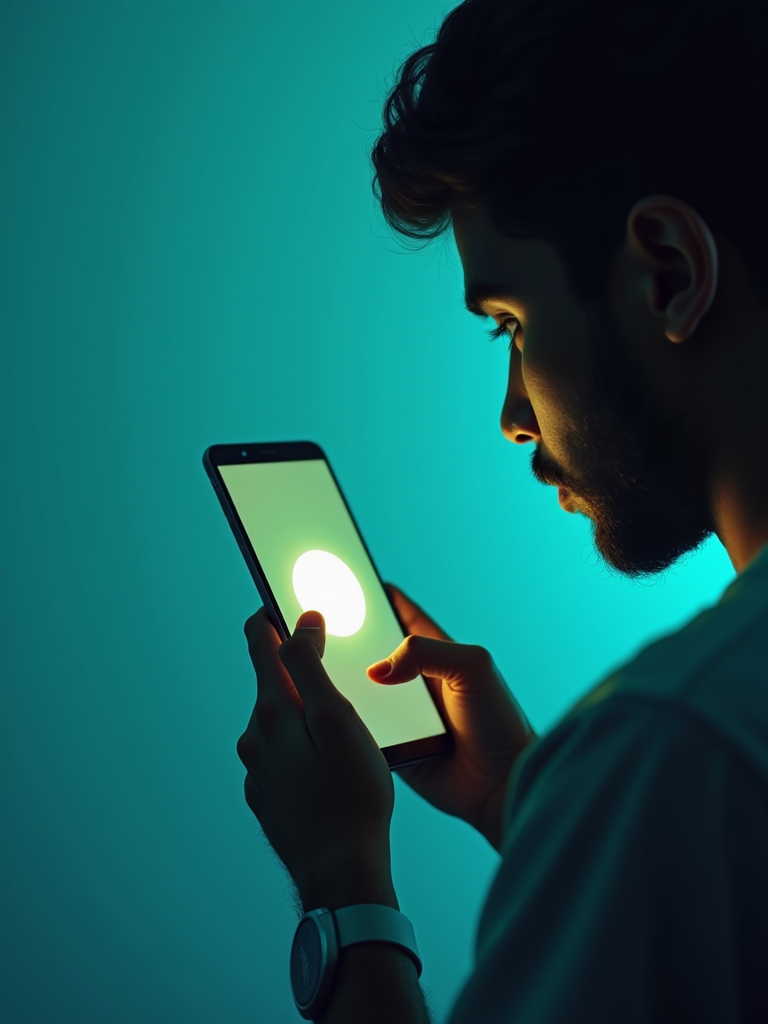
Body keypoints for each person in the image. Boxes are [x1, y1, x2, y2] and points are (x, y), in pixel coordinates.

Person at [236, 1, 768, 1020]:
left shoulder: (676, 747)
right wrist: (520, 797)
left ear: (671, 273)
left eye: (510, 325)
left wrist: (346, 892)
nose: (512, 417)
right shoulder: (685, 766)